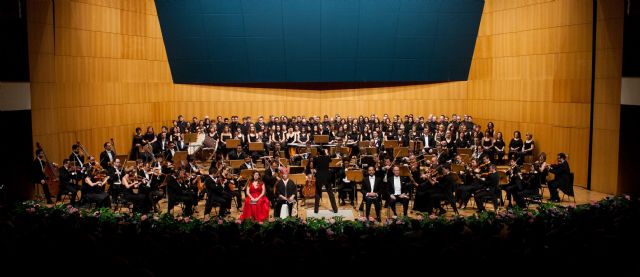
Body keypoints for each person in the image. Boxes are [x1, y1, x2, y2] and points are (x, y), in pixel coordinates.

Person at [312, 148, 338, 214]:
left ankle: (316, 210)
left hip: (319, 177)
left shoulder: (316, 158)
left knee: (317, 193)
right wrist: (326, 154)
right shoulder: (327, 158)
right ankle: (335, 209)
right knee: (330, 193)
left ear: (318, 153)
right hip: (327, 177)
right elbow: (330, 160)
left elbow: (314, 167)